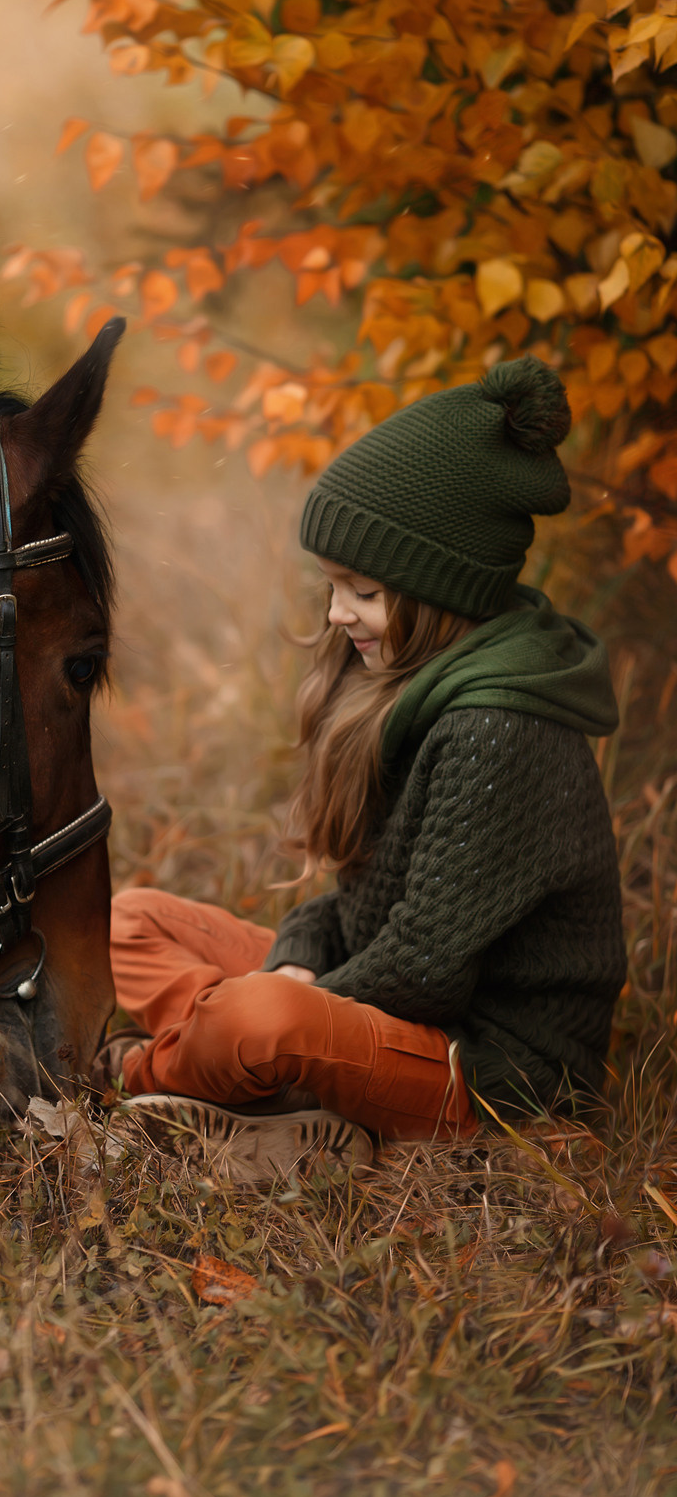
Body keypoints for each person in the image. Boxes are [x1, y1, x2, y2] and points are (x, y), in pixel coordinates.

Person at [100, 358, 626, 1181]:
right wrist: (299, 956)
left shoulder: (500, 730)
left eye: (364, 592)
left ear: (438, 591)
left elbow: (422, 968)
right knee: (129, 921)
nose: (339, 614)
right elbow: (366, 901)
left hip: (487, 1071)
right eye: (333, 587)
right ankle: (251, 1084)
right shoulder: (412, 690)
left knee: (261, 1017)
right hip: (382, 999)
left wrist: (291, 999)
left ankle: (144, 1080)